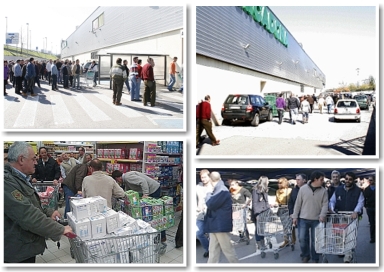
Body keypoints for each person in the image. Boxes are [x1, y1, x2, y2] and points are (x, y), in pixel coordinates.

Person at [4, 141, 73, 263]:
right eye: (33, 159)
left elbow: (31, 203)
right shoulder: (6, 183)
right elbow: (28, 215)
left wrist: (48, 212)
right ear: (21, 160)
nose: (36, 162)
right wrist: (60, 229)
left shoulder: (20, 178)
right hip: (17, 251)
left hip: (25, 245)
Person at [292, 170, 328, 263]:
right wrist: (295, 216)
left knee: (315, 240)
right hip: (303, 219)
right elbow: (298, 204)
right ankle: (305, 255)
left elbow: (325, 204)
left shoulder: (324, 191)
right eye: (321, 179)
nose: (323, 181)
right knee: (302, 239)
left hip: (316, 219)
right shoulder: (303, 189)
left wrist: (322, 215)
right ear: (315, 179)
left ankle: (315, 257)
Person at [329, 171, 364, 263]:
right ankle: (341, 250)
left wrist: (356, 211)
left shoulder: (358, 191)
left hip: (351, 217)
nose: (348, 181)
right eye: (346, 179)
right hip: (339, 216)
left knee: (350, 236)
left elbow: (360, 202)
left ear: (353, 180)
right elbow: (332, 201)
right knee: (339, 235)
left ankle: (348, 256)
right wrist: (332, 209)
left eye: (350, 179)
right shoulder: (338, 190)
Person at [122, 170, 167, 242]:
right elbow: (128, 189)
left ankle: (161, 236)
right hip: (153, 189)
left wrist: (146, 194)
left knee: (156, 214)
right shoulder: (126, 179)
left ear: (118, 178)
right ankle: (154, 236)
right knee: (151, 214)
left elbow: (143, 181)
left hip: (153, 190)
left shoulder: (127, 177)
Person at [204, 171, 238, 263]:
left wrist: (208, 193)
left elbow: (211, 204)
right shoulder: (219, 189)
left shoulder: (222, 190)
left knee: (227, 250)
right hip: (216, 225)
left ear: (211, 179)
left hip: (220, 225)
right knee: (213, 251)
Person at [196, 169, 214, 258]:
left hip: (211, 214)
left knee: (212, 234)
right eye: (201, 177)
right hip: (200, 214)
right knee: (199, 233)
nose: (203, 179)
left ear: (209, 177)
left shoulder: (214, 187)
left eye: (204, 177)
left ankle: (212, 249)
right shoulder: (198, 187)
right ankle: (208, 249)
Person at [251, 176, 270, 251]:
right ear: (265, 181)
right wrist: (257, 214)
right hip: (259, 212)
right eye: (267, 181)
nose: (268, 182)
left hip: (264, 211)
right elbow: (255, 203)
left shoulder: (265, 190)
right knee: (258, 229)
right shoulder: (256, 190)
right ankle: (259, 243)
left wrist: (269, 210)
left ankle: (262, 243)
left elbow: (266, 202)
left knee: (262, 228)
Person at [288, 173, 307, 245]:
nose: (297, 181)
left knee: (310, 237)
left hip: (309, 215)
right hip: (299, 216)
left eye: (299, 180)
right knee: (301, 237)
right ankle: (305, 253)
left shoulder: (309, 189)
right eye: (296, 180)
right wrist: (291, 213)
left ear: (304, 180)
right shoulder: (294, 190)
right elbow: (290, 202)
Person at [274, 177, 292, 248]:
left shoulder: (289, 190)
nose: (278, 184)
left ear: (284, 183)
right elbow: (277, 200)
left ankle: (293, 239)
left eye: (280, 183)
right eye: (278, 183)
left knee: (290, 226)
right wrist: (275, 204)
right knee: (284, 226)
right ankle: (286, 241)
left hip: (288, 209)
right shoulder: (277, 191)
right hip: (281, 209)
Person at [362, 176, 375, 243]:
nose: (370, 181)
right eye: (369, 180)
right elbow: (364, 198)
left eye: (371, 180)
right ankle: (373, 238)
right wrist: (365, 206)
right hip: (369, 208)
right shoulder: (366, 189)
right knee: (372, 223)